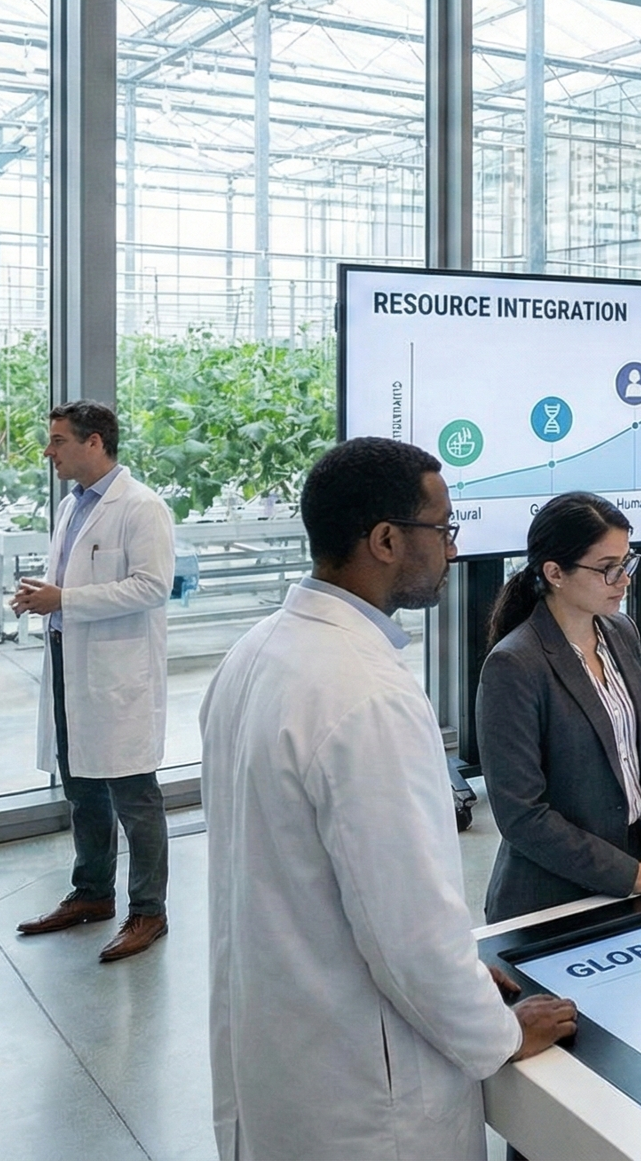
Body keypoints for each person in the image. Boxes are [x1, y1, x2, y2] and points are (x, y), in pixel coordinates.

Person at [201, 438, 575, 1160]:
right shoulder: (365, 694)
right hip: (367, 1094)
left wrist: (466, 976)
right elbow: (407, 927)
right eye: (442, 530)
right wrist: (497, 1030)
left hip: (282, 1048)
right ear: (384, 540)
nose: (452, 550)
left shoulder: (257, 652)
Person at [476, 492, 641, 923]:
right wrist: (629, 874)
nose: (624, 580)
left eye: (627, 563)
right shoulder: (514, 663)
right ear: (555, 572)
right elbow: (522, 815)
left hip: (639, 879)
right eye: (608, 569)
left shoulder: (621, 632)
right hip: (552, 900)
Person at [13, 401, 177, 963]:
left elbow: (152, 587)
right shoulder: (71, 506)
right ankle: (91, 895)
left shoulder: (141, 507)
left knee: (134, 796)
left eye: (58, 440)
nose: (48, 451)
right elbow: (76, 581)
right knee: (81, 788)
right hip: (69, 664)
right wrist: (46, 597)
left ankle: (148, 910)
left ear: (95, 442)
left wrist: (67, 600)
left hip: (116, 674)